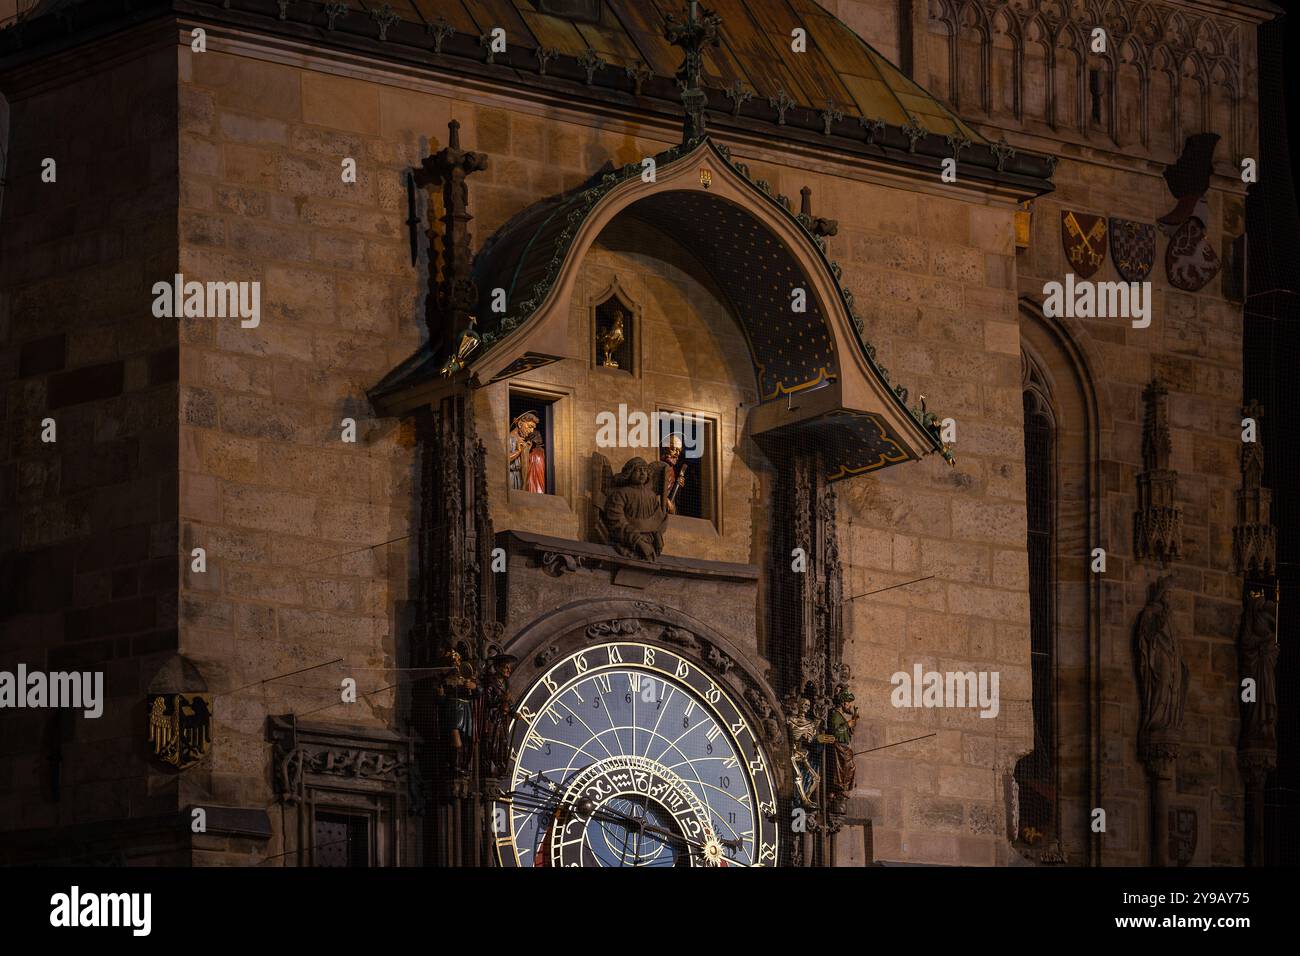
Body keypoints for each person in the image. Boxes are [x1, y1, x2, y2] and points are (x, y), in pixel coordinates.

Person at [508, 412, 539, 490]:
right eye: (530, 426)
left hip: (519, 477)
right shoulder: (508, 438)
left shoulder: (524, 441)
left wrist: (526, 450)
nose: (532, 431)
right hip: (509, 476)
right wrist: (518, 451)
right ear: (520, 424)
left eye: (533, 428)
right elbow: (503, 459)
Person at [525, 428, 546, 494]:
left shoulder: (543, 451)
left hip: (540, 478)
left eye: (540, 436)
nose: (540, 437)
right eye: (537, 436)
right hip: (531, 478)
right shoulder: (529, 451)